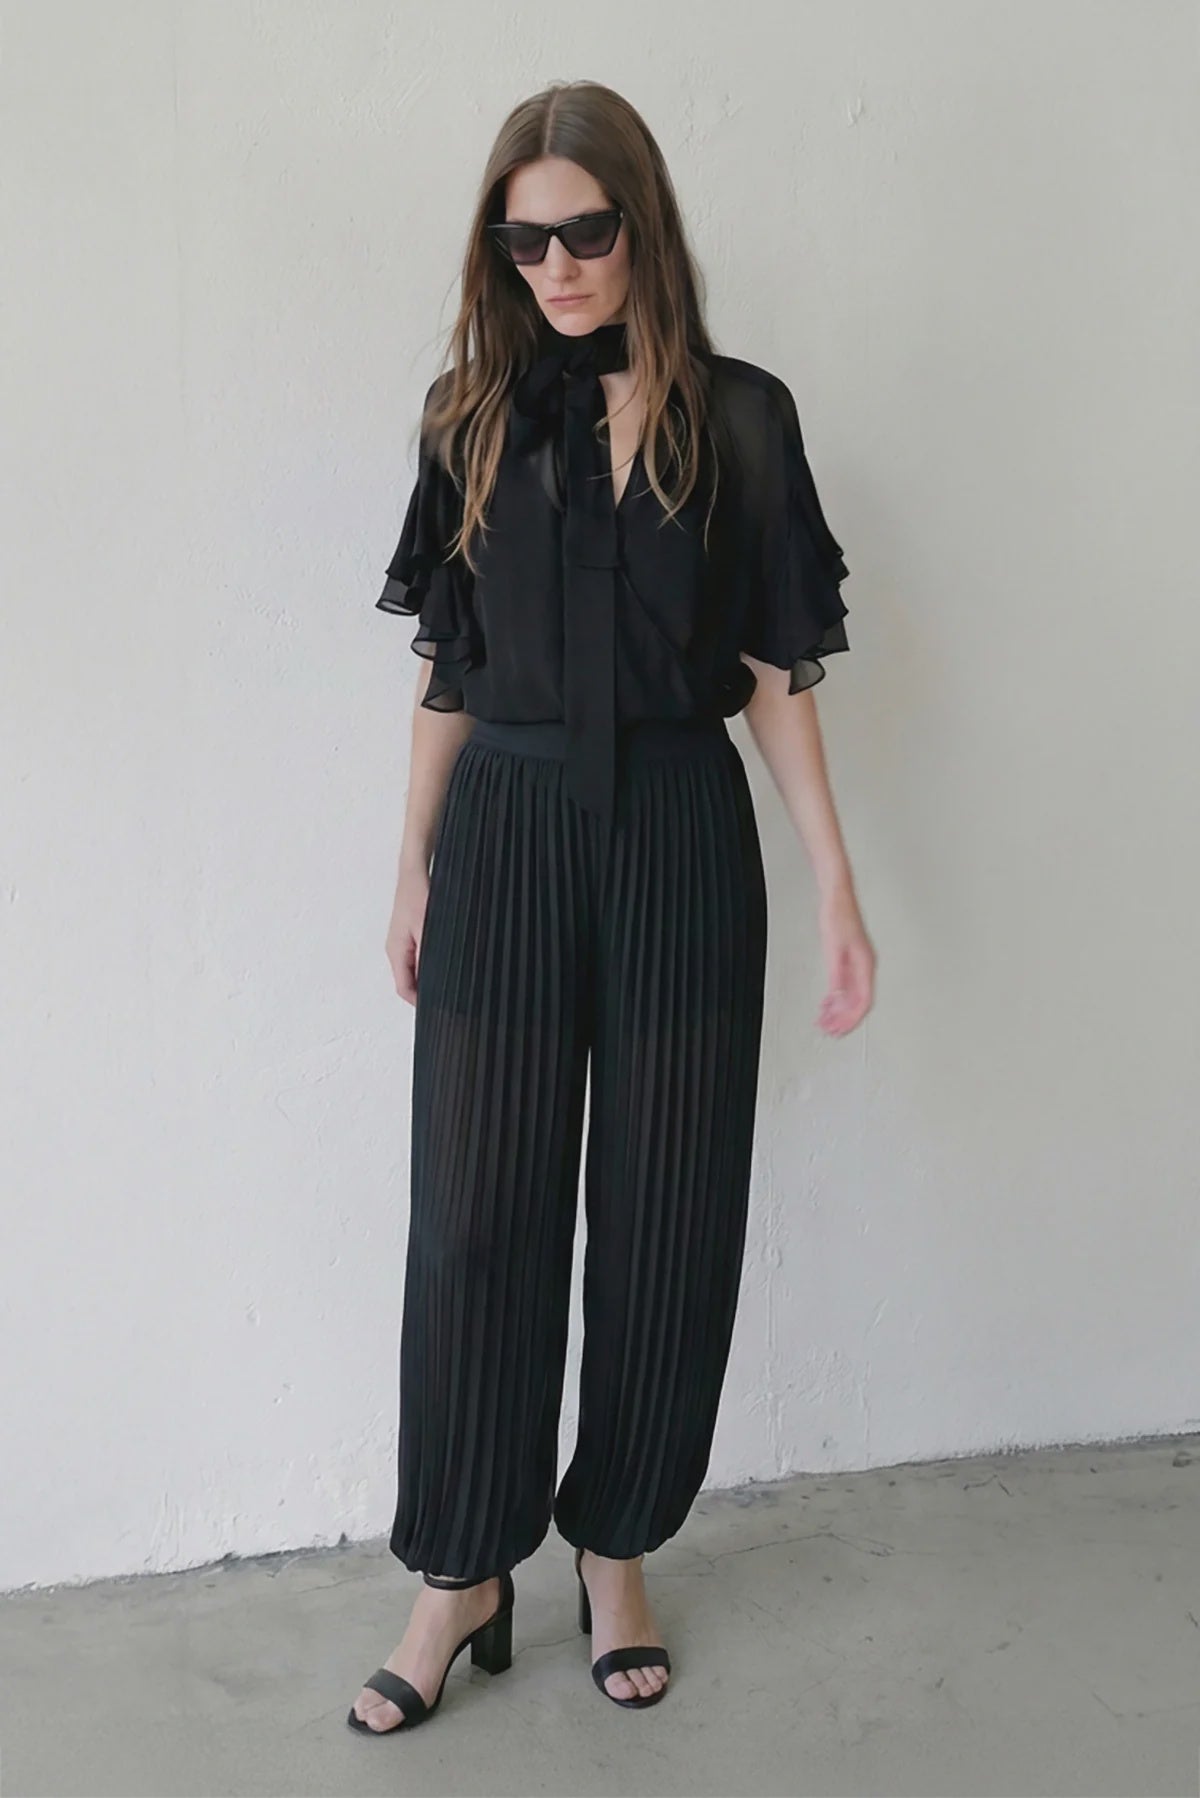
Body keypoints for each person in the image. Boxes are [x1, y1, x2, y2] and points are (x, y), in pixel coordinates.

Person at [348, 78, 876, 1738]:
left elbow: (778, 669)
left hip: (678, 829)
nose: (557, 263)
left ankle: (620, 1547)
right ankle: (461, 1569)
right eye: (525, 237)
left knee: (665, 1217)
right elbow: (449, 664)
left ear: (642, 224)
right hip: (501, 828)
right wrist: (412, 860)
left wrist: (840, 887)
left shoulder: (741, 416)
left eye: (585, 229)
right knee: (477, 1215)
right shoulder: (468, 415)